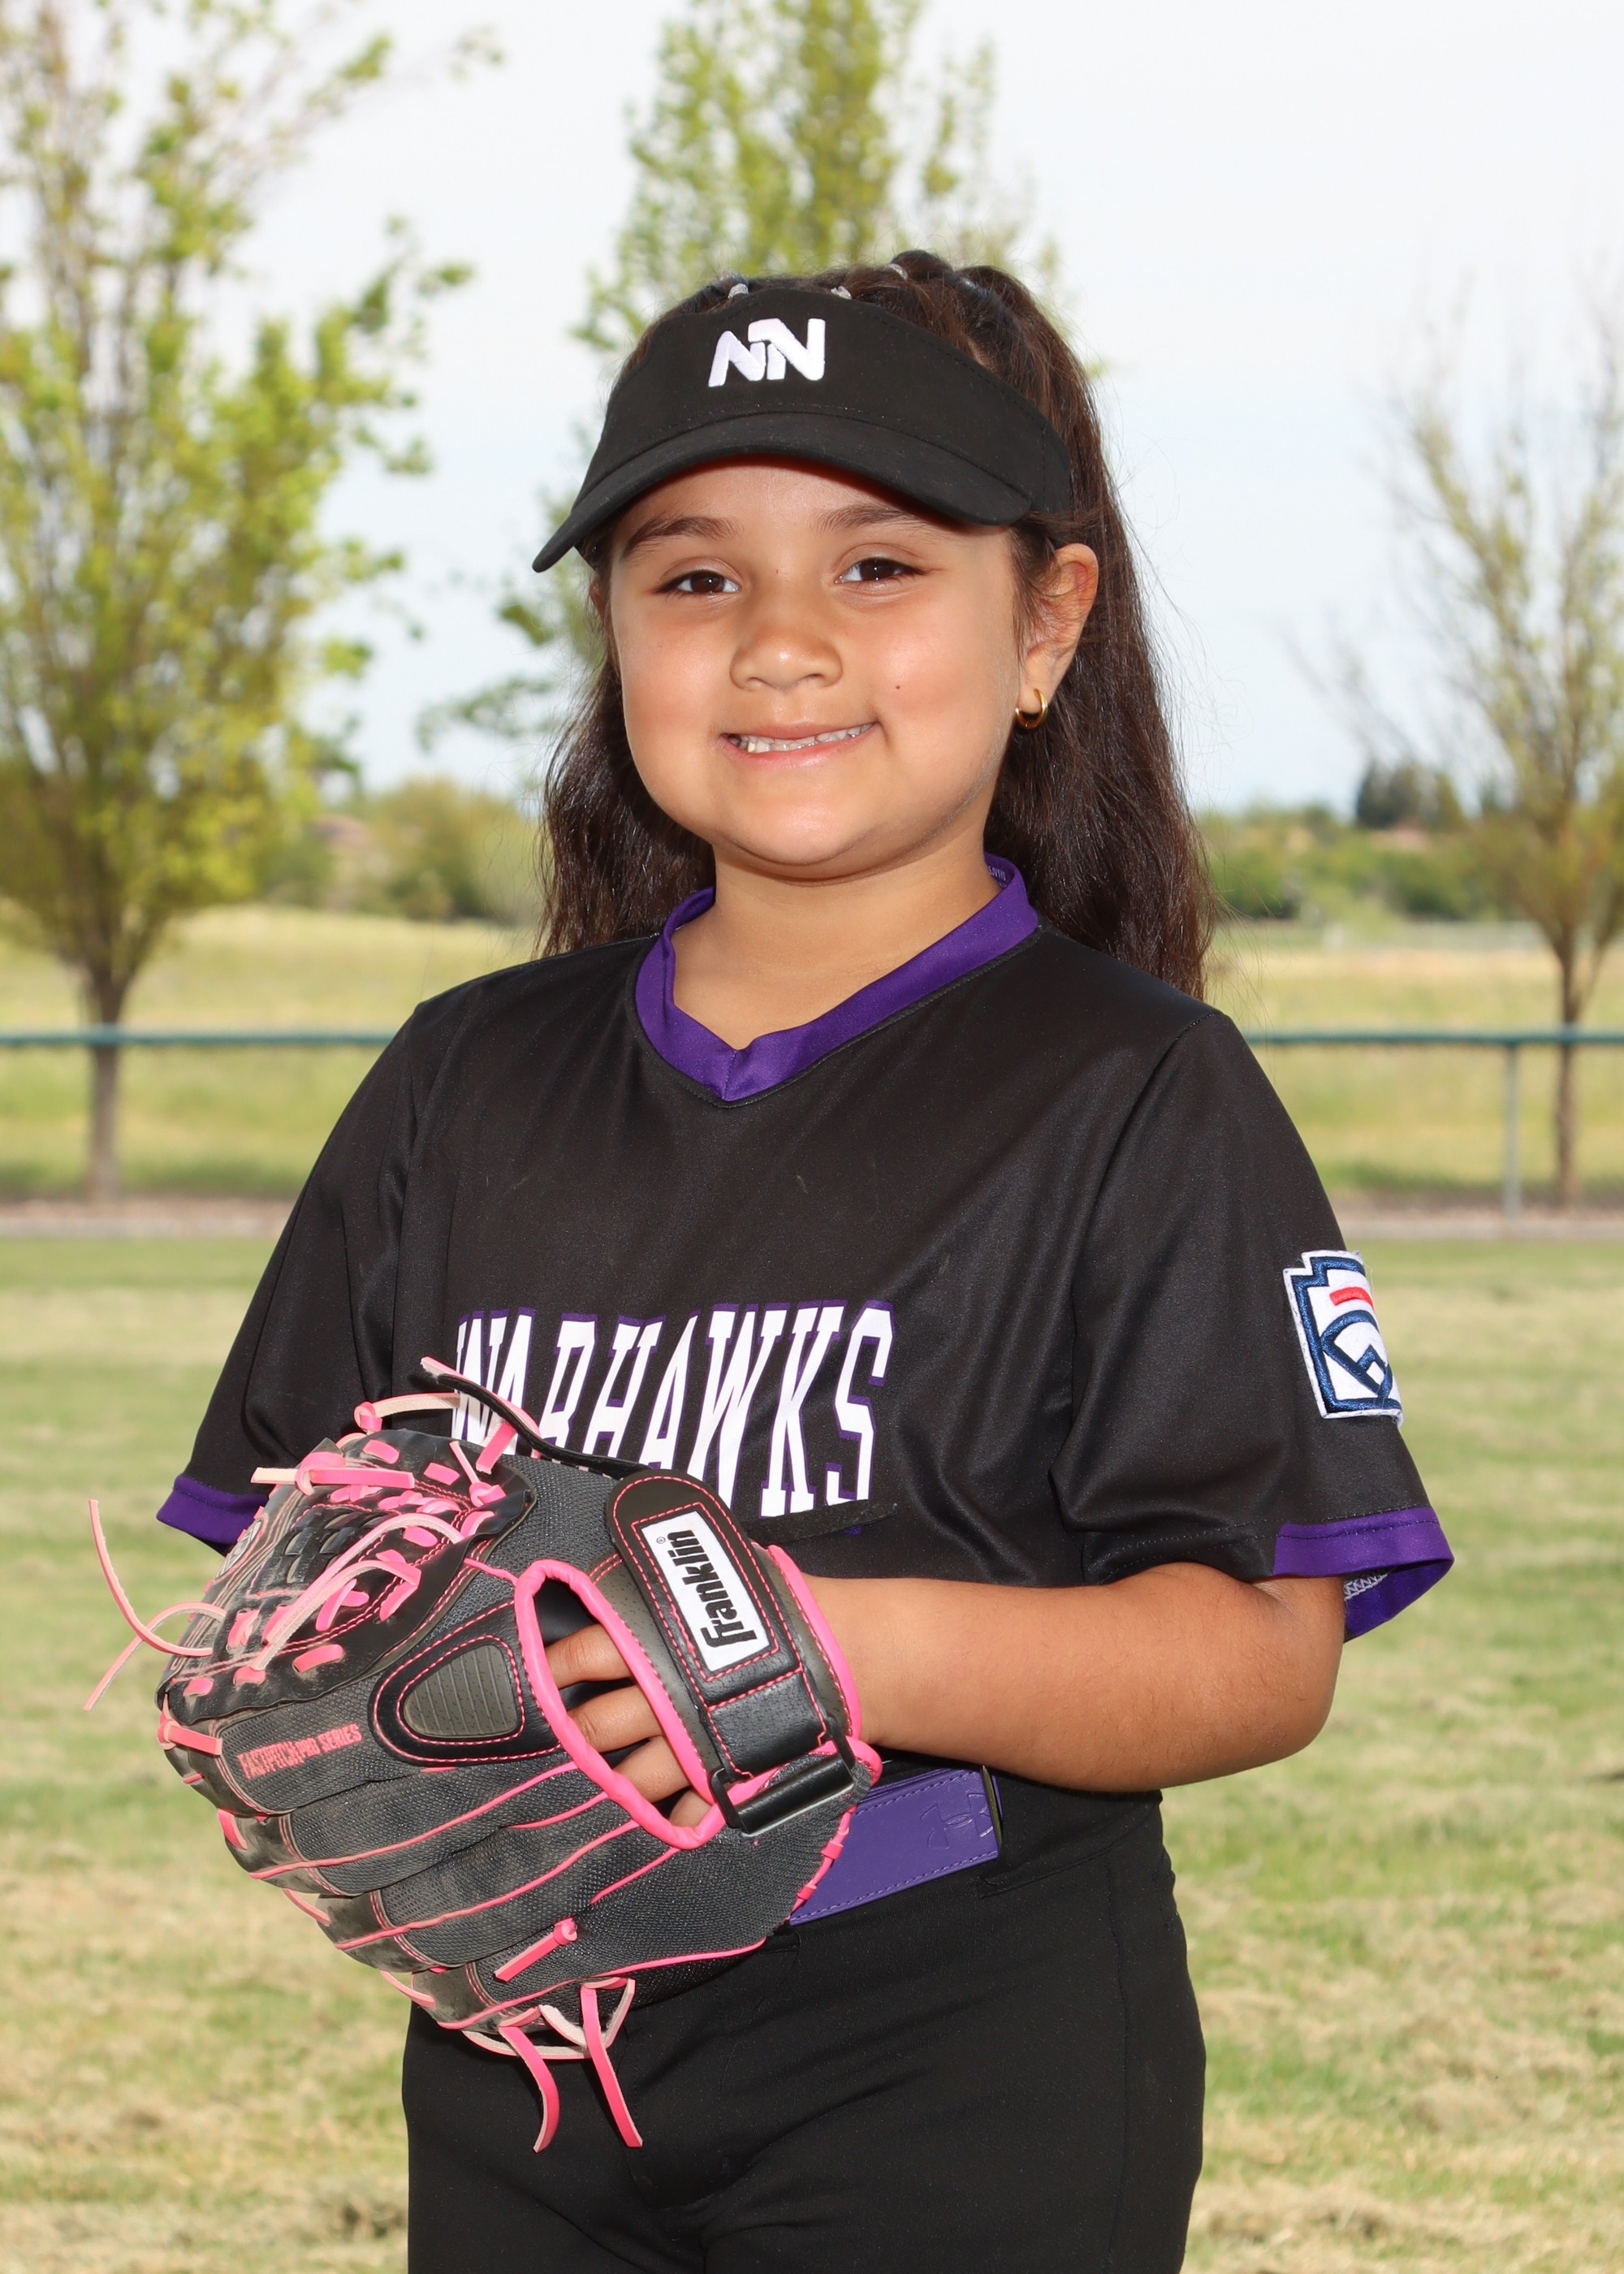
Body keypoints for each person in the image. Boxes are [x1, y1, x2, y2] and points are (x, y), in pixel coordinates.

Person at [158, 253, 1453, 2272]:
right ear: (613, 630)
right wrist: (322, 1667)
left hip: (952, 2031)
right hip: (526, 2036)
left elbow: (1260, 1651)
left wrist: (828, 1647)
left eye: (876, 566)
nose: (779, 642)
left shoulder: (1133, 1090)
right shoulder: (466, 1076)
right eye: (694, 575)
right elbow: (293, 1549)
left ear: (1045, 625)